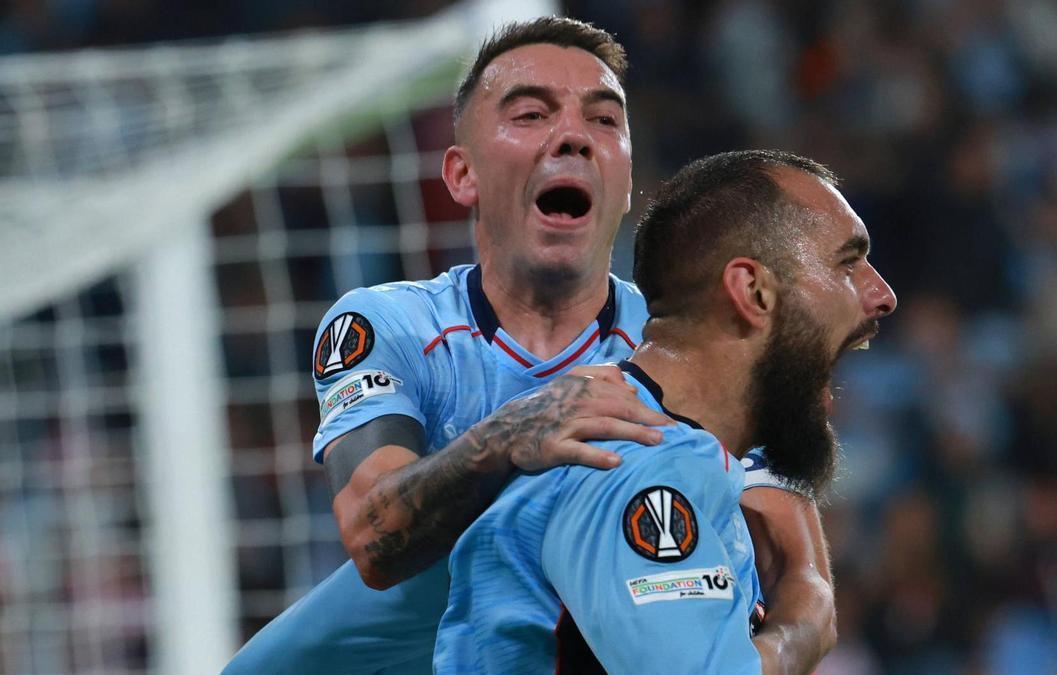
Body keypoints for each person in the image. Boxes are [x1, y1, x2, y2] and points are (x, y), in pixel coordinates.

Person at [226, 19, 836, 674]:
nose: (574, 135)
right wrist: (510, 435)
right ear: (463, 174)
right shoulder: (392, 324)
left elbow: (805, 584)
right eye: (531, 114)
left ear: (628, 180)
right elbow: (373, 536)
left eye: (604, 120)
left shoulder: (701, 344)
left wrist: (755, 663)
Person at [435, 149, 897, 673]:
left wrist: (804, 577)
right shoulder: (637, 463)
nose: (883, 295)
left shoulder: (671, 447)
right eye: (847, 263)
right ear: (753, 292)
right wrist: (804, 625)